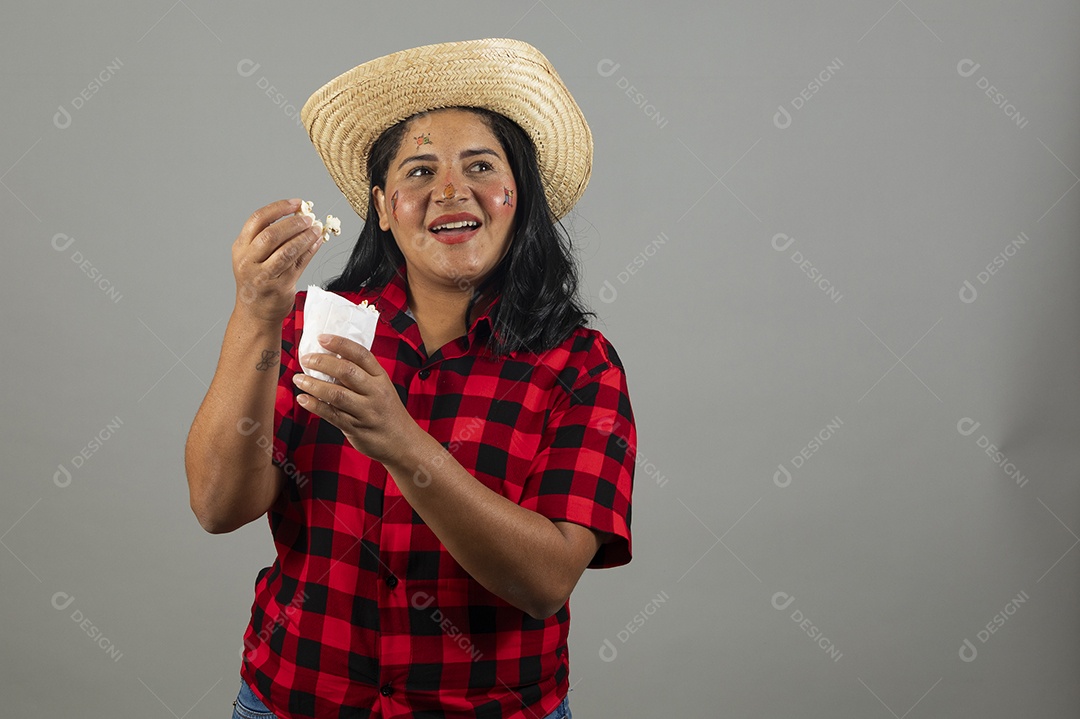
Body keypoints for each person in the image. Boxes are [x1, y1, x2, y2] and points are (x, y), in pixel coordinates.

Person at [185, 38, 636, 719]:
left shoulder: (579, 365)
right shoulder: (313, 329)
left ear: (519, 197)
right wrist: (255, 313)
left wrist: (401, 441)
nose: (450, 191)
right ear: (384, 205)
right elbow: (218, 504)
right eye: (419, 171)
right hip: (293, 699)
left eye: (480, 166)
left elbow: (546, 580)